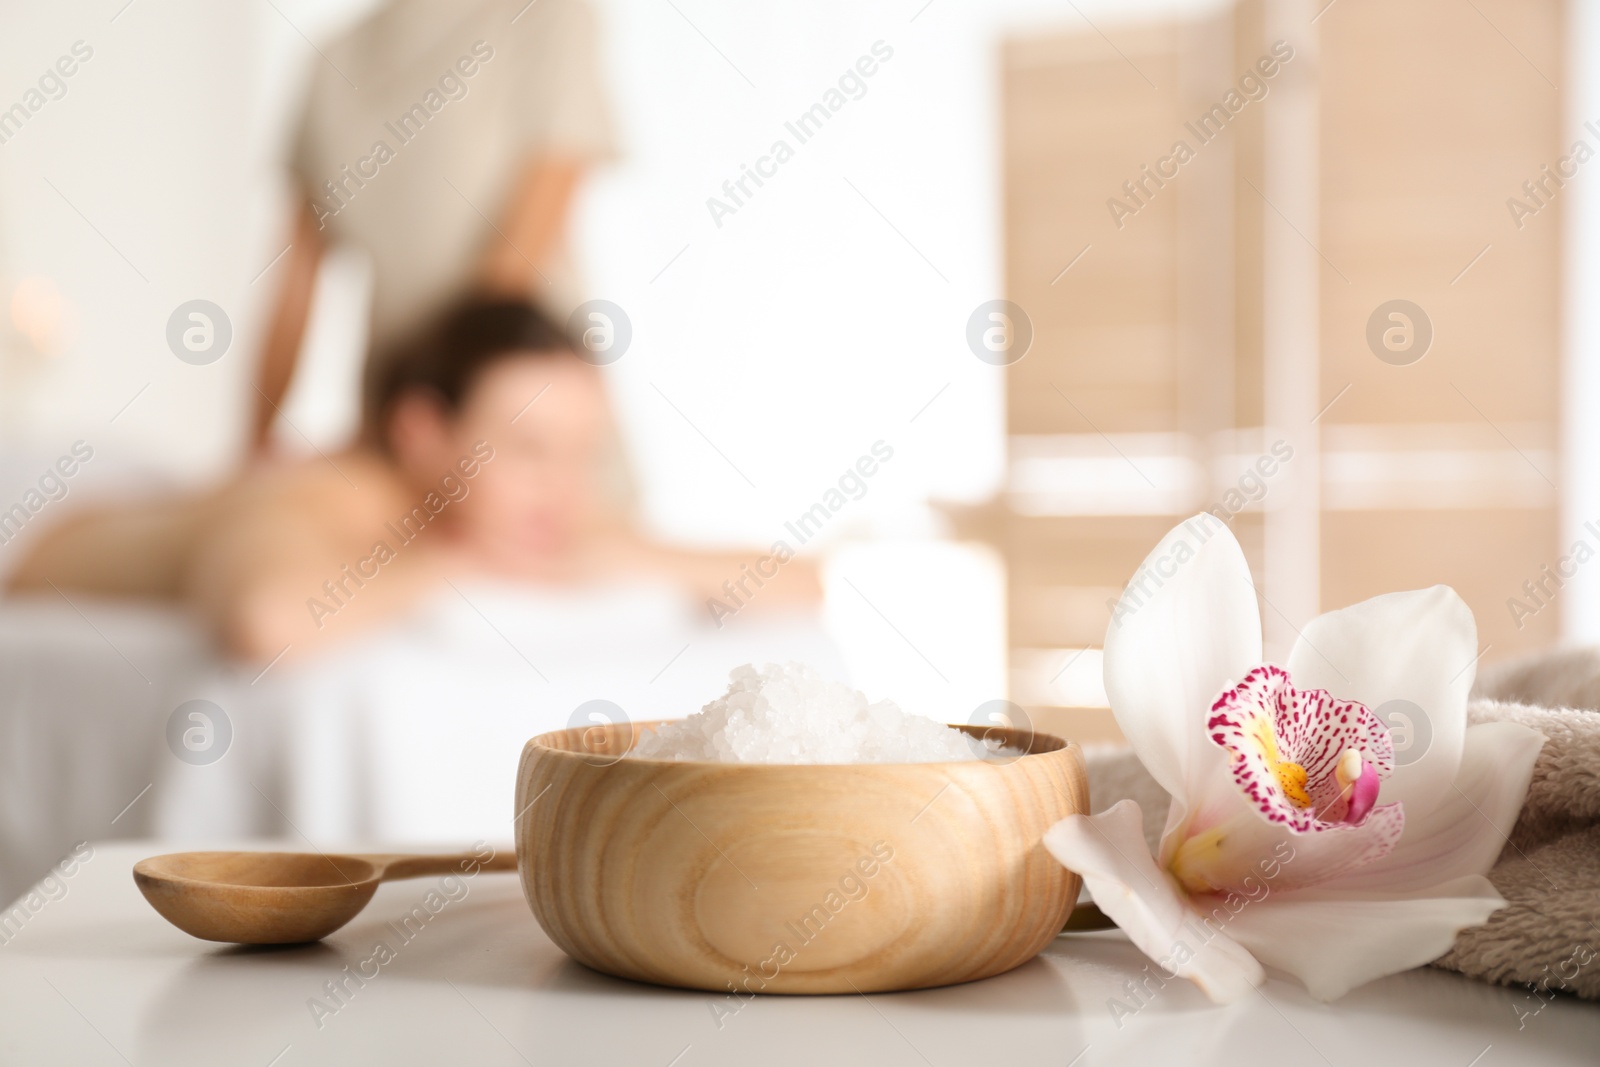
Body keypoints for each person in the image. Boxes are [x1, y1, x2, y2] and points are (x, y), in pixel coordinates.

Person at [8, 299, 821, 659]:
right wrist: (454, 563)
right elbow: (266, 621)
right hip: (42, 525)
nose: (565, 490)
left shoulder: (525, 502)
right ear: (421, 432)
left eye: (585, 453)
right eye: (530, 448)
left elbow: (797, 581)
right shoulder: (328, 496)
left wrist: (622, 556)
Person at [252, 0, 614, 453]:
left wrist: (439, 411)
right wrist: (254, 448)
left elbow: (518, 258)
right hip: (406, 424)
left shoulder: (544, 16)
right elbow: (295, 283)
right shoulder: (331, 60)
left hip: (525, 416)